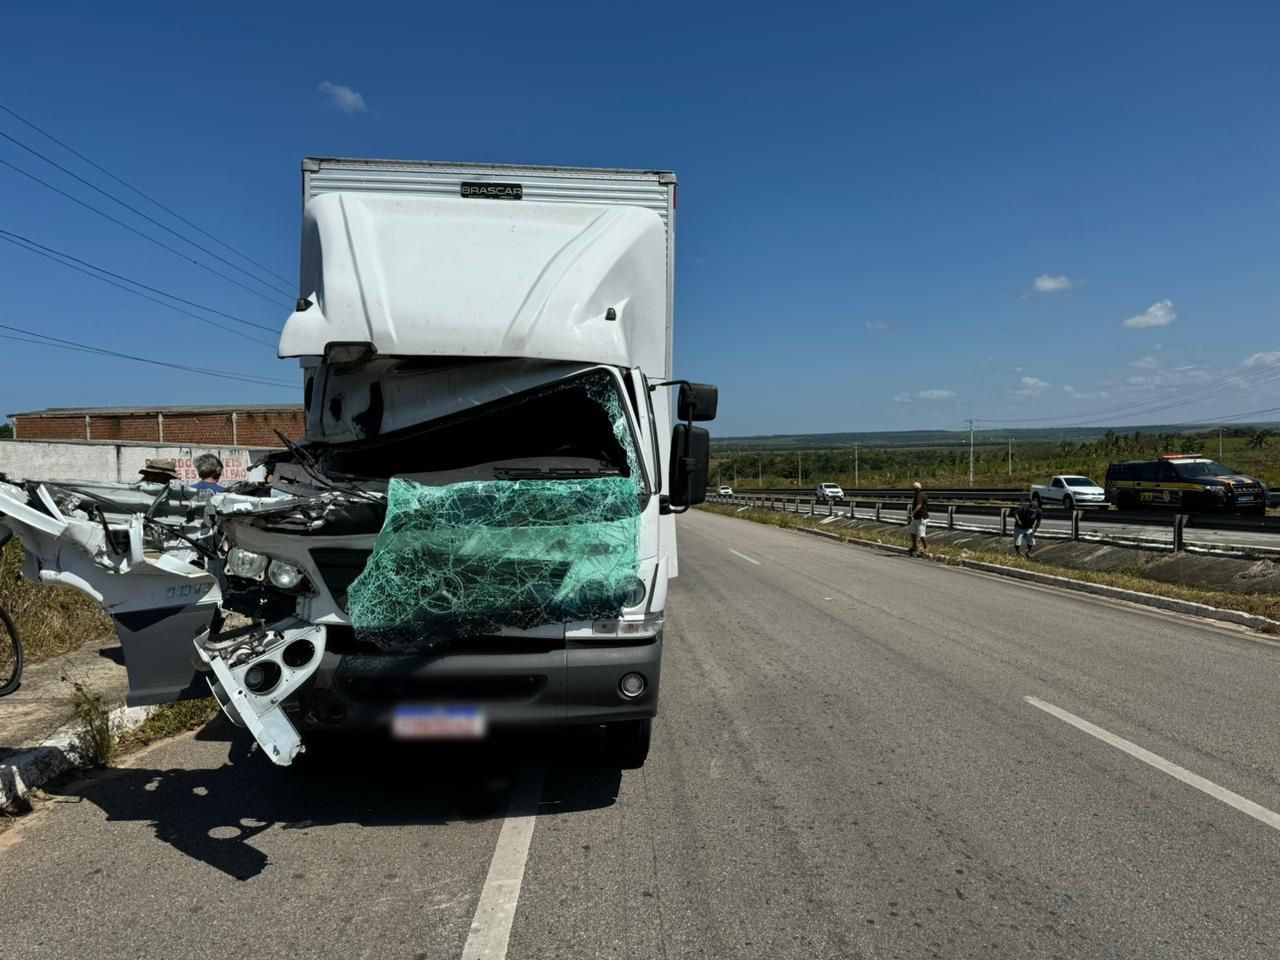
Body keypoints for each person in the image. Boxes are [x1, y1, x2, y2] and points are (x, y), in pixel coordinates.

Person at [907, 481, 930, 557]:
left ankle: (926, 548)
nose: (913, 490)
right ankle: (914, 547)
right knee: (913, 532)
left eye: (914, 489)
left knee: (921, 534)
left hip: (921, 517)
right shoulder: (923, 494)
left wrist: (912, 513)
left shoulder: (919, 495)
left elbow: (919, 505)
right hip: (917, 517)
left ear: (917, 489)